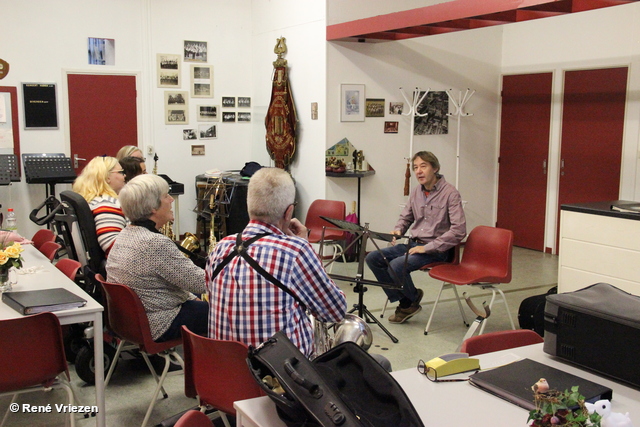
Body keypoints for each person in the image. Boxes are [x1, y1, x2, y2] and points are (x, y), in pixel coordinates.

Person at [205, 167, 347, 358]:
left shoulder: (220, 248)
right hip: (280, 380)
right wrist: (304, 244)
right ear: (289, 212)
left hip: (227, 375)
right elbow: (335, 312)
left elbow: (211, 295)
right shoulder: (296, 250)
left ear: (249, 205)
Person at [366, 151, 466, 324]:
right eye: (415, 167)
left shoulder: (451, 193)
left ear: (435, 168)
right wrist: (398, 230)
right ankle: (408, 301)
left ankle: (408, 302)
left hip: (437, 249)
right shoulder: (416, 192)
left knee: (397, 264)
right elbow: (406, 216)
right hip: (414, 244)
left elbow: (459, 230)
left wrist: (426, 248)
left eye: (423, 166)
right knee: (373, 258)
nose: (418, 171)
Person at [106, 174, 207, 342]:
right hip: (157, 324)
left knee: (196, 296)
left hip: (128, 323)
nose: (171, 200)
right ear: (153, 207)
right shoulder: (153, 242)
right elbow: (202, 283)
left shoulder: (126, 233)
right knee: (228, 313)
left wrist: (191, 296)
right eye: (166, 196)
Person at [72, 156, 127, 256]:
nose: (124, 176)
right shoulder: (107, 204)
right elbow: (112, 246)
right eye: (120, 172)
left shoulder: (94, 199)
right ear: (107, 177)